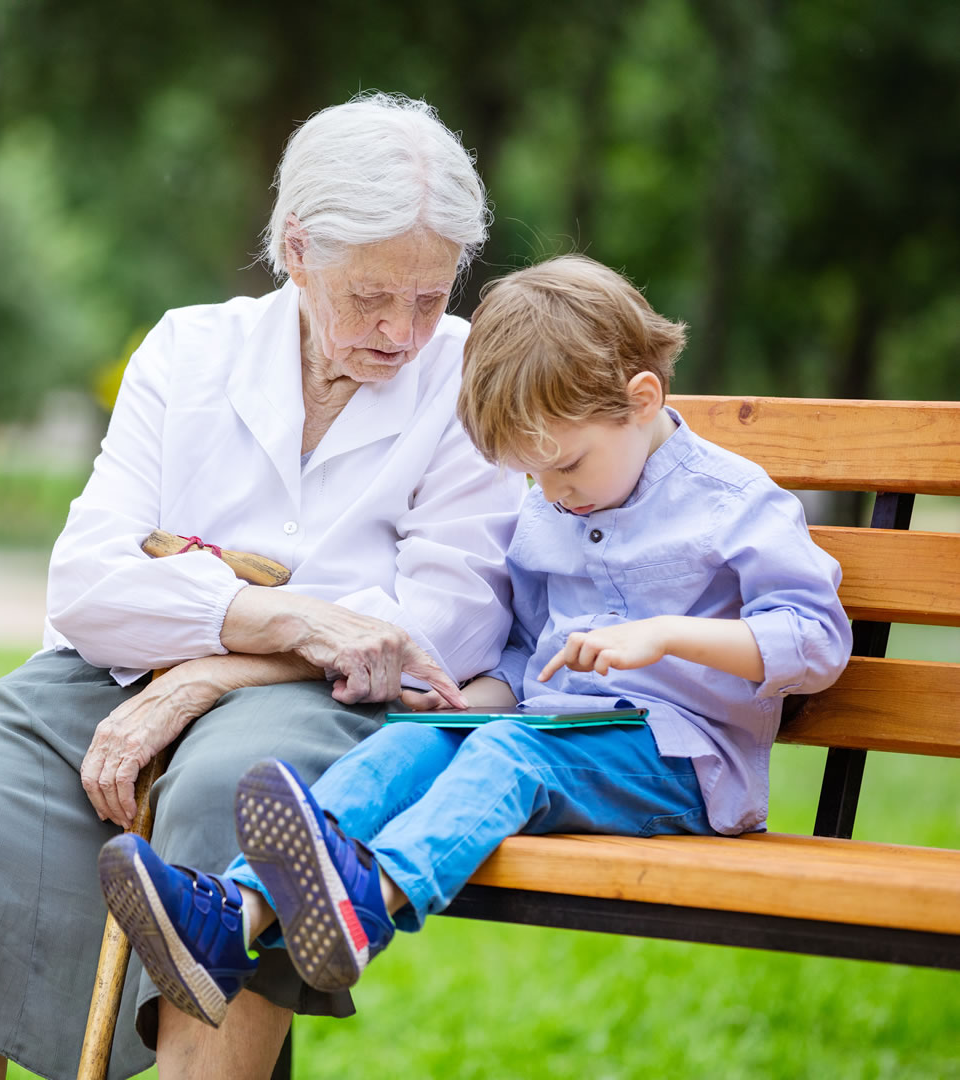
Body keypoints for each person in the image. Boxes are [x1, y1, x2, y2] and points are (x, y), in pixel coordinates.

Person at [0, 92, 527, 1080]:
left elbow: (438, 630)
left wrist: (211, 673)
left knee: (236, 793)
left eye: (430, 297)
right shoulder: (189, 349)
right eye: (370, 297)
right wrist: (291, 616)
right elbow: (89, 583)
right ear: (298, 251)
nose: (402, 331)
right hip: (103, 682)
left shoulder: (472, 375)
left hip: (319, 706)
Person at [98, 254, 853, 1022]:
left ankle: (371, 902)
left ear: (642, 399)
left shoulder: (732, 503)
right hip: (563, 736)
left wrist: (666, 637)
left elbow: (817, 639)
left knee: (506, 752)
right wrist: (462, 702)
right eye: (535, 477)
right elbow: (525, 657)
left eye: (565, 465)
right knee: (416, 741)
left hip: (682, 764)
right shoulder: (551, 514)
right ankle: (234, 917)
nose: (553, 494)